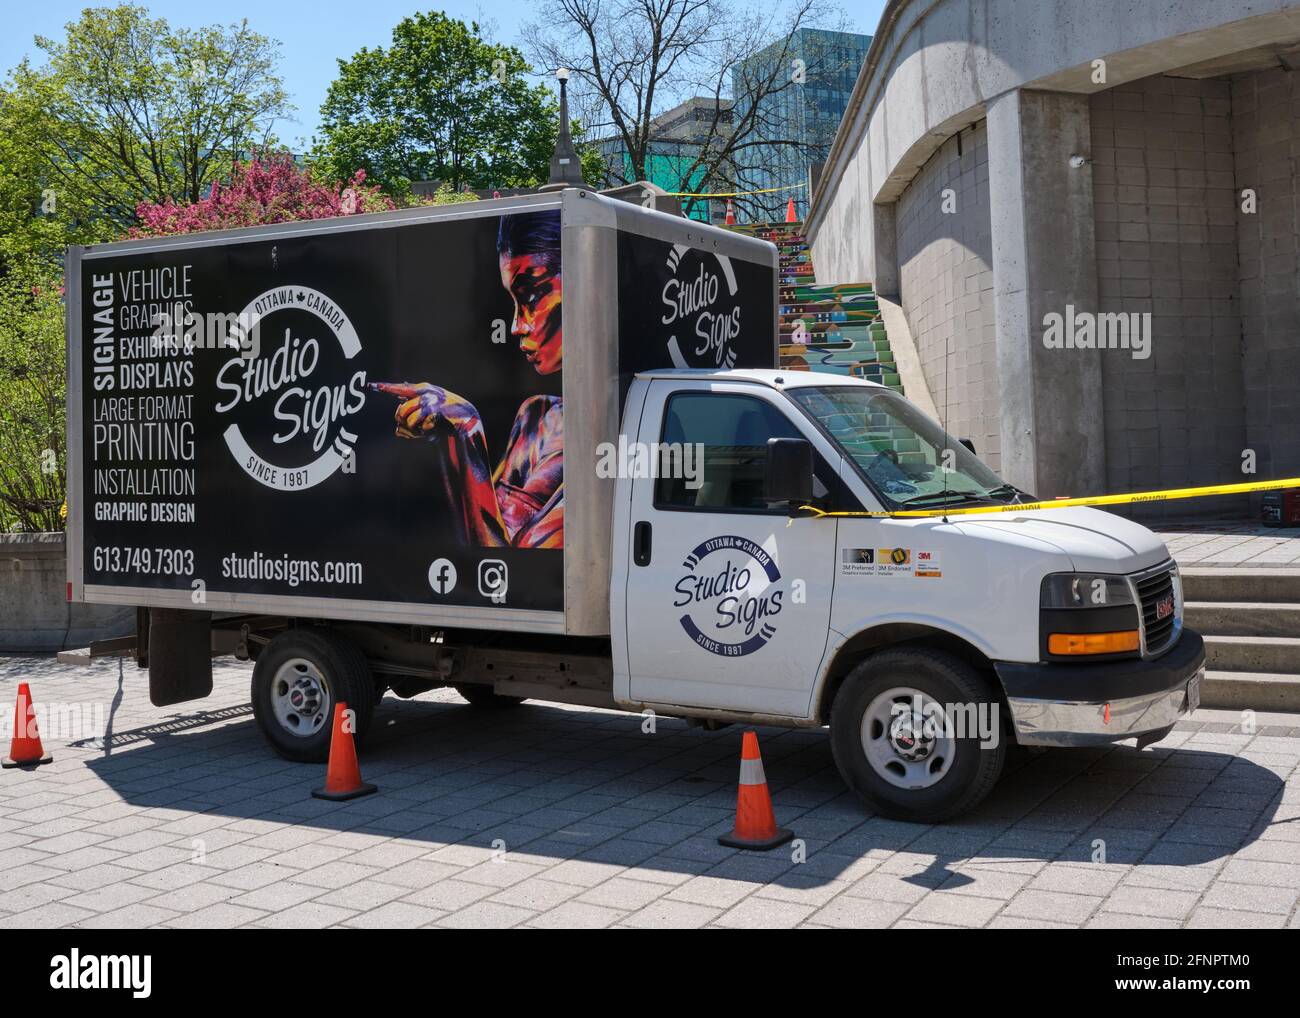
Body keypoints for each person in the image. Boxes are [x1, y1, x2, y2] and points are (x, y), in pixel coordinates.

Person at [372, 210, 563, 548]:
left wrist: (465, 431)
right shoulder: (537, 417)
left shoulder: (612, 434)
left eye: (530, 295)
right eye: (514, 302)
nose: (517, 324)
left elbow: (510, 565)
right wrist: (450, 439)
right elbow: (494, 552)